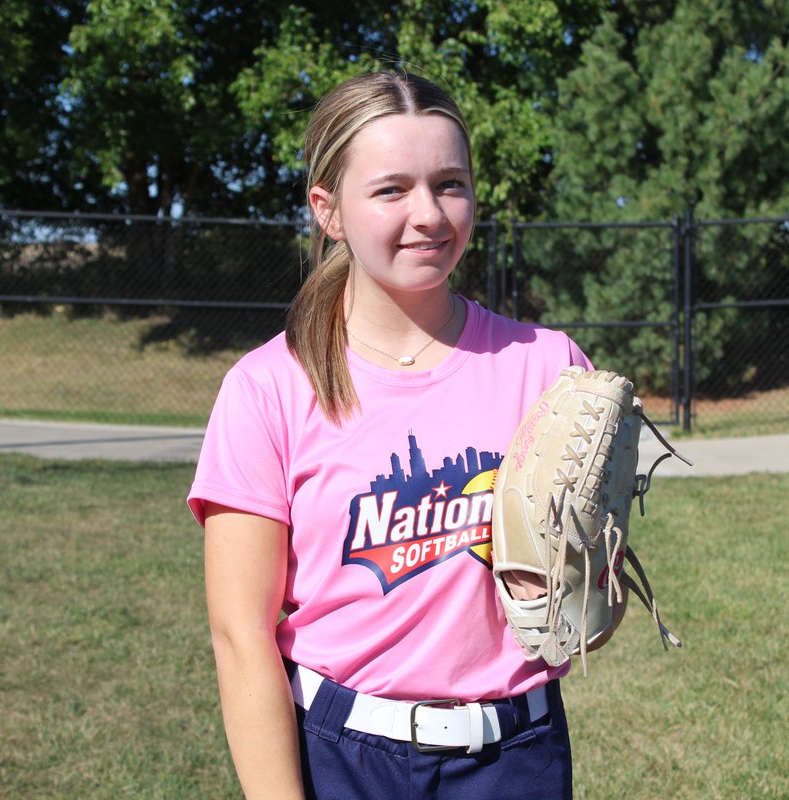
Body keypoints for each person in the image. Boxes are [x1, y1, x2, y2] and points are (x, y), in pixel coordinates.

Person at [188, 71, 598, 799]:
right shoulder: (270, 388)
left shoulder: (548, 367)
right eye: (391, 190)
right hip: (342, 757)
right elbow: (241, 636)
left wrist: (580, 582)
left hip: (516, 755)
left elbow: (578, 596)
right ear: (329, 210)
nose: (429, 214)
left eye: (449, 184)